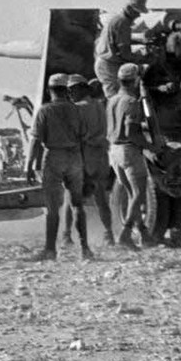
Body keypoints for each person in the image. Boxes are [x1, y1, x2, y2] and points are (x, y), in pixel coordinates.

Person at [24, 73, 90, 261]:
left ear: (49, 90)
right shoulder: (77, 110)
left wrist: (30, 165)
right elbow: (84, 134)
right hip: (75, 157)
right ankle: (85, 248)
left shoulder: (45, 111)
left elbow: (36, 140)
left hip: (54, 157)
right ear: (66, 90)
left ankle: (50, 250)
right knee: (77, 204)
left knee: (53, 208)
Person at [64, 75, 114, 247]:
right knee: (101, 199)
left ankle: (67, 235)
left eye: (73, 89)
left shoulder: (76, 109)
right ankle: (109, 234)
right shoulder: (99, 106)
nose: (70, 93)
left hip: (83, 158)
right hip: (100, 158)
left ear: (83, 88)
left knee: (72, 199)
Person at [107, 63, 152, 250]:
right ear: (135, 80)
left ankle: (143, 233)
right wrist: (150, 146)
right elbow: (131, 131)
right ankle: (125, 234)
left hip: (114, 151)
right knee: (139, 193)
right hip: (128, 150)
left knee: (131, 194)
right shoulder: (131, 102)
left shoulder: (113, 99)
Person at [94, 0, 149, 97]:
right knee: (117, 99)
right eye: (137, 12)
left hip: (107, 63)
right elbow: (125, 54)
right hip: (109, 66)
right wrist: (143, 58)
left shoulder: (118, 19)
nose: (138, 16)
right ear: (129, 8)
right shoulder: (123, 23)